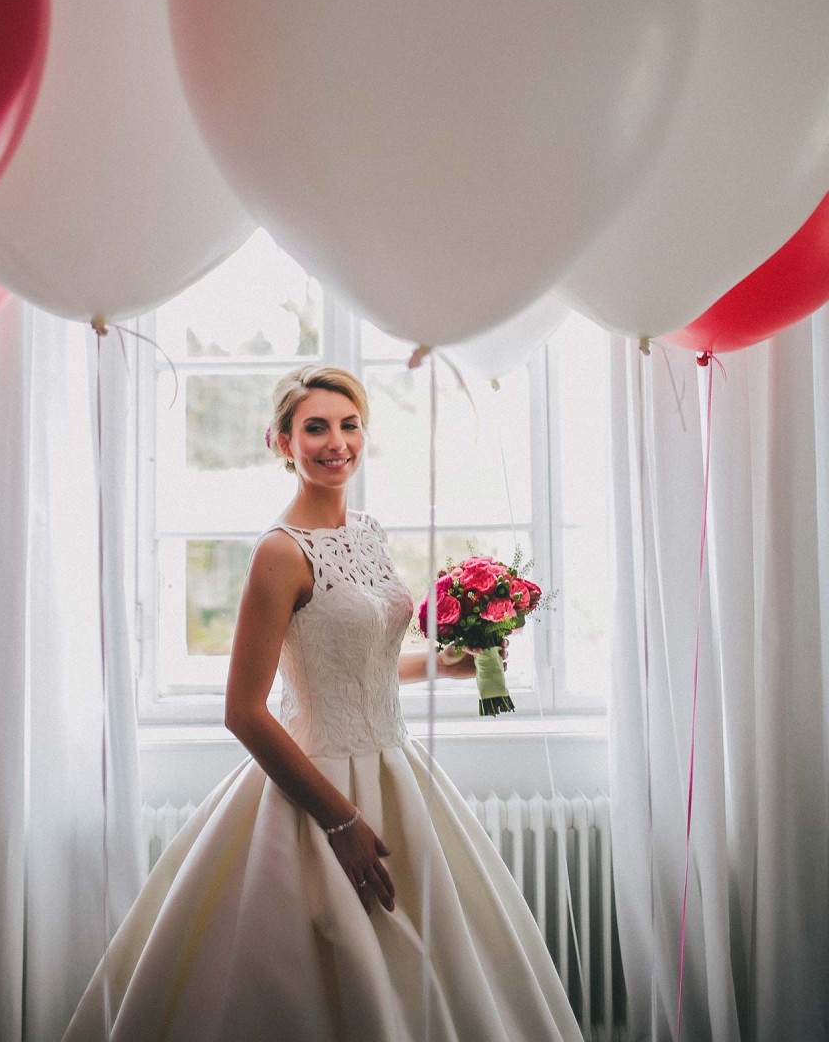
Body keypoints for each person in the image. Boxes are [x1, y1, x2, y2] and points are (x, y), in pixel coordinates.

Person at [63, 365, 582, 1041]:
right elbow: (244, 712)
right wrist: (341, 822)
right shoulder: (279, 555)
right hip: (318, 789)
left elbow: (353, 663)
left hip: (399, 770)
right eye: (315, 428)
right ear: (283, 443)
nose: (336, 441)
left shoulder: (368, 532)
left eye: (349, 424)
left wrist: (445, 665)